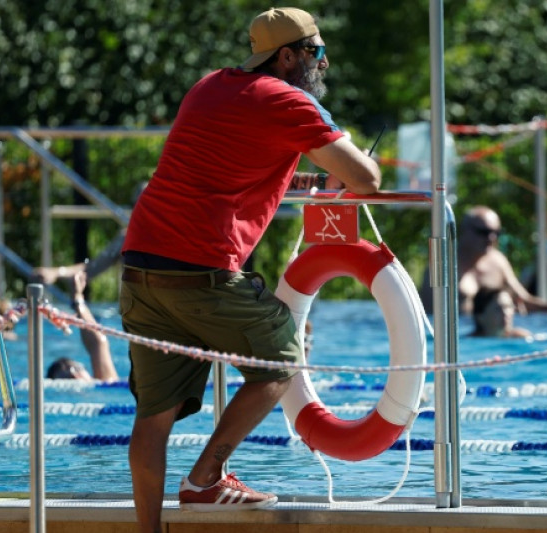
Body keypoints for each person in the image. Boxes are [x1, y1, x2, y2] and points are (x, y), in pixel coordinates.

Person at [118, 7, 381, 532]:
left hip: (140, 269)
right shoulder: (289, 100)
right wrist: (339, 136)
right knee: (284, 355)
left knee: (154, 415)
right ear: (287, 56)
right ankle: (205, 480)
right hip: (201, 272)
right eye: (316, 53)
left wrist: (293, 179)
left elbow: (225, 163)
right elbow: (366, 179)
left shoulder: (209, 86)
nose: (322, 64)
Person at [420, 205, 547, 316]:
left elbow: (523, 300)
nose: (491, 238)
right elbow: (428, 314)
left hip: (492, 339)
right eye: (483, 232)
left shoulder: (498, 261)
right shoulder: (442, 265)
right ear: (465, 230)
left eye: (496, 233)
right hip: (460, 338)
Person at [31, 181, 148, 287]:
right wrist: (57, 272)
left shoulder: (164, 239)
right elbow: (92, 268)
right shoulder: (126, 239)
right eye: (139, 207)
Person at [46, 271, 119, 381]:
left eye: (77, 369)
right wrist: (77, 298)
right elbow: (97, 343)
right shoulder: (105, 387)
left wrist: (78, 300)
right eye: (68, 378)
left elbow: (98, 343)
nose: (75, 376)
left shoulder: (103, 386)